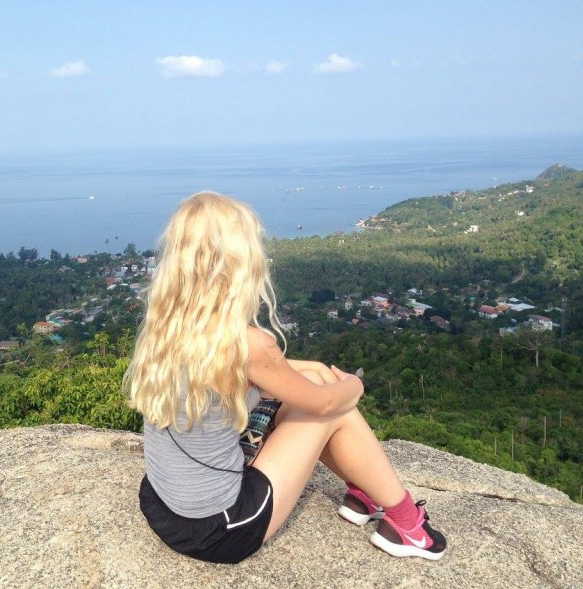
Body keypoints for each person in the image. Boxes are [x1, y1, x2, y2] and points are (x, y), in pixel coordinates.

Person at [124, 191, 446, 564]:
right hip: (221, 529)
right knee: (335, 408)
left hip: (164, 506)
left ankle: (363, 494)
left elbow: (262, 374)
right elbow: (325, 403)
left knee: (316, 383)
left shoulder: (166, 325)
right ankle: (406, 524)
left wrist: (313, 371)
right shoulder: (245, 343)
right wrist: (354, 385)